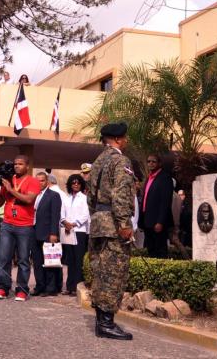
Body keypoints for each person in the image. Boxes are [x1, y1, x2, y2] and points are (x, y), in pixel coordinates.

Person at [88, 122, 135, 340]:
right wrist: (124, 224)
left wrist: (99, 217)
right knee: (114, 274)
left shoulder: (98, 161)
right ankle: (106, 324)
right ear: (117, 139)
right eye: (124, 138)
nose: (126, 141)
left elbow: (90, 198)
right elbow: (121, 195)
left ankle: (101, 321)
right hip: (113, 224)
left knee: (100, 273)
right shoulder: (120, 160)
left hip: (98, 222)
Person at [0, 155, 40, 302]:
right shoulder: (8, 179)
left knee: (23, 259)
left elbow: (28, 199)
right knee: (4, 258)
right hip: (7, 224)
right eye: (15, 164)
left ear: (27, 166)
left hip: (24, 226)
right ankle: (3, 287)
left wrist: (11, 190)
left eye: (20, 164)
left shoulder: (33, 181)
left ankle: (22, 289)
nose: (17, 166)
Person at [31, 172, 62, 297]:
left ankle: (51, 288)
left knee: (50, 261)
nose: (39, 183)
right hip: (33, 232)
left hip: (48, 233)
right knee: (37, 262)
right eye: (37, 181)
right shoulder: (33, 195)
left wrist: (53, 233)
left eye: (42, 181)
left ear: (47, 182)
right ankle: (40, 286)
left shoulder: (54, 195)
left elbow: (56, 215)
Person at [140, 154, 174, 259]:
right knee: (150, 249)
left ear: (160, 163)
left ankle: (160, 273)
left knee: (160, 251)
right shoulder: (149, 178)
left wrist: (160, 222)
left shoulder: (165, 178)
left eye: (153, 162)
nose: (151, 164)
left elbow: (165, 202)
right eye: (149, 161)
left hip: (158, 223)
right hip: (148, 221)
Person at [60, 174, 89, 296]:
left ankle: (77, 286)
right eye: (73, 183)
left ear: (81, 184)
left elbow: (85, 215)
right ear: (70, 185)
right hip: (67, 231)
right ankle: (69, 286)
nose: (75, 184)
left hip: (79, 231)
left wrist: (73, 224)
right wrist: (65, 222)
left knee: (79, 259)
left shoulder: (84, 198)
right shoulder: (66, 198)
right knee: (69, 260)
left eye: (78, 183)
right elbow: (61, 213)